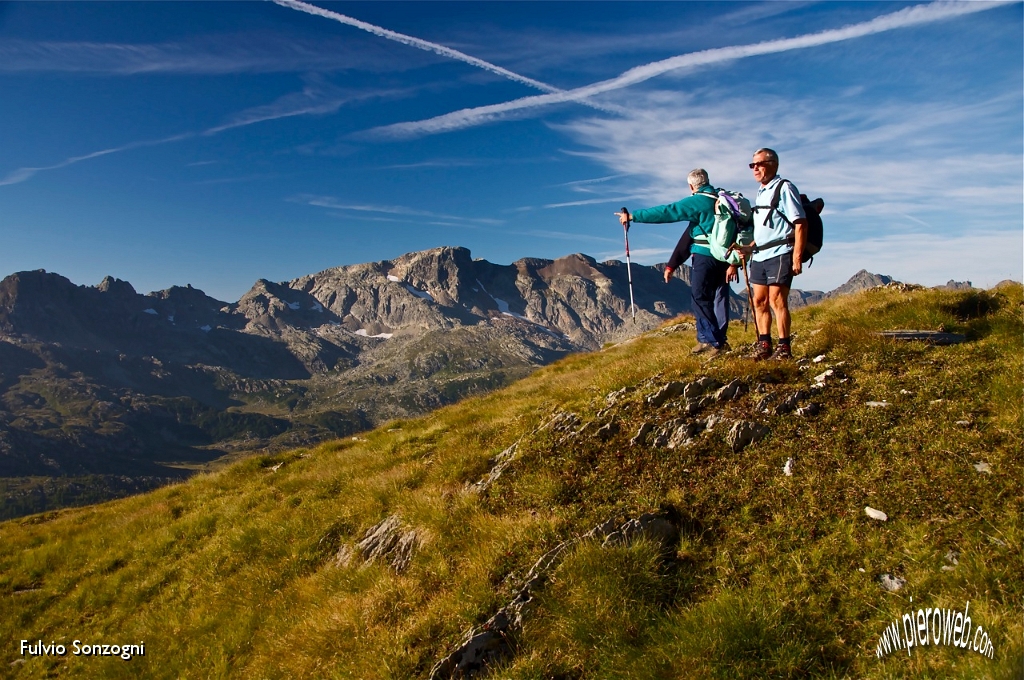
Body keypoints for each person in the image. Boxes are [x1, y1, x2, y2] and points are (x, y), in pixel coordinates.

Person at [616, 169, 738, 357]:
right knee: (718, 297)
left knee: (700, 298)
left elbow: (668, 212)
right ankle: (709, 339)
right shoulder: (722, 200)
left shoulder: (698, 201)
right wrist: (673, 264)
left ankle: (715, 342)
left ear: (691, 186)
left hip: (705, 256)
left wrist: (633, 216)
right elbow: (688, 235)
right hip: (724, 257)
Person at [741, 148, 807, 361]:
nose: (755, 168)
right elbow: (764, 228)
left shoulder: (784, 188)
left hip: (780, 252)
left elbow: (800, 223)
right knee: (759, 301)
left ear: (773, 164)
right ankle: (764, 345)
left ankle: (784, 348)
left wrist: (797, 257)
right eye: (753, 165)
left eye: (759, 164)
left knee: (777, 299)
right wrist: (749, 247)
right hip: (760, 255)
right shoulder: (761, 191)